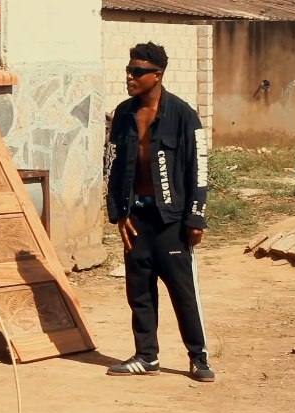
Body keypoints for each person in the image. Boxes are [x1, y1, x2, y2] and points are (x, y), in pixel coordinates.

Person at [105, 42, 213, 382]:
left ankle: (198, 357)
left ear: (157, 75)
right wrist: (119, 214)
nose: (130, 77)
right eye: (128, 70)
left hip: (172, 220)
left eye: (137, 71)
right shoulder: (124, 114)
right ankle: (146, 356)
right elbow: (113, 165)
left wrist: (195, 217)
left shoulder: (183, 115)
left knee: (183, 293)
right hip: (136, 217)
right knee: (139, 290)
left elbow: (199, 168)